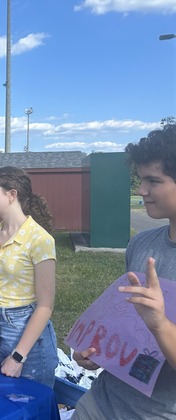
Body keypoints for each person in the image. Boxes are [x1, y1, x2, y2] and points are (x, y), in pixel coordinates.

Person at [72, 124, 176, 420]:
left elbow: (154, 327)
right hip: (100, 402)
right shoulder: (141, 244)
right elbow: (129, 328)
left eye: (153, 181)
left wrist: (160, 323)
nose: (141, 190)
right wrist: (98, 353)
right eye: (141, 180)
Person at [0, 166, 58, 388]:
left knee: (30, 405)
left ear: (12, 194)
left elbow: (45, 306)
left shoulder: (40, 239)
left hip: (27, 336)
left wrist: (18, 356)